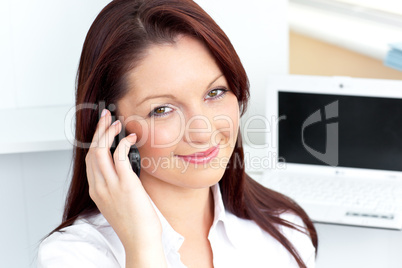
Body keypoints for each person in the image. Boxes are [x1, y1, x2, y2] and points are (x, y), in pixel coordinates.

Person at [37, 0, 318, 267]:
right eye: (162, 109)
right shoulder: (74, 256)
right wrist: (142, 246)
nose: (202, 131)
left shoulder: (285, 231)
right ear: (112, 126)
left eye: (215, 92)